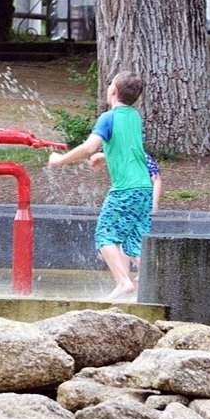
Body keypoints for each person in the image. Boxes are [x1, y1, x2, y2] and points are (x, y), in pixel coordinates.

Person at [48, 71, 152, 300]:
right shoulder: (134, 116)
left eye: (110, 84)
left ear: (113, 91)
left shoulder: (108, 118)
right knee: (135, 237)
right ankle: (149, 284)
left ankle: (124, 283)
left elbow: (87, 147)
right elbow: (131, 149)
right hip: (145, 188)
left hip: (125, 189)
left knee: (105, 235)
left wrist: (59, 160)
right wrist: (106, 156)